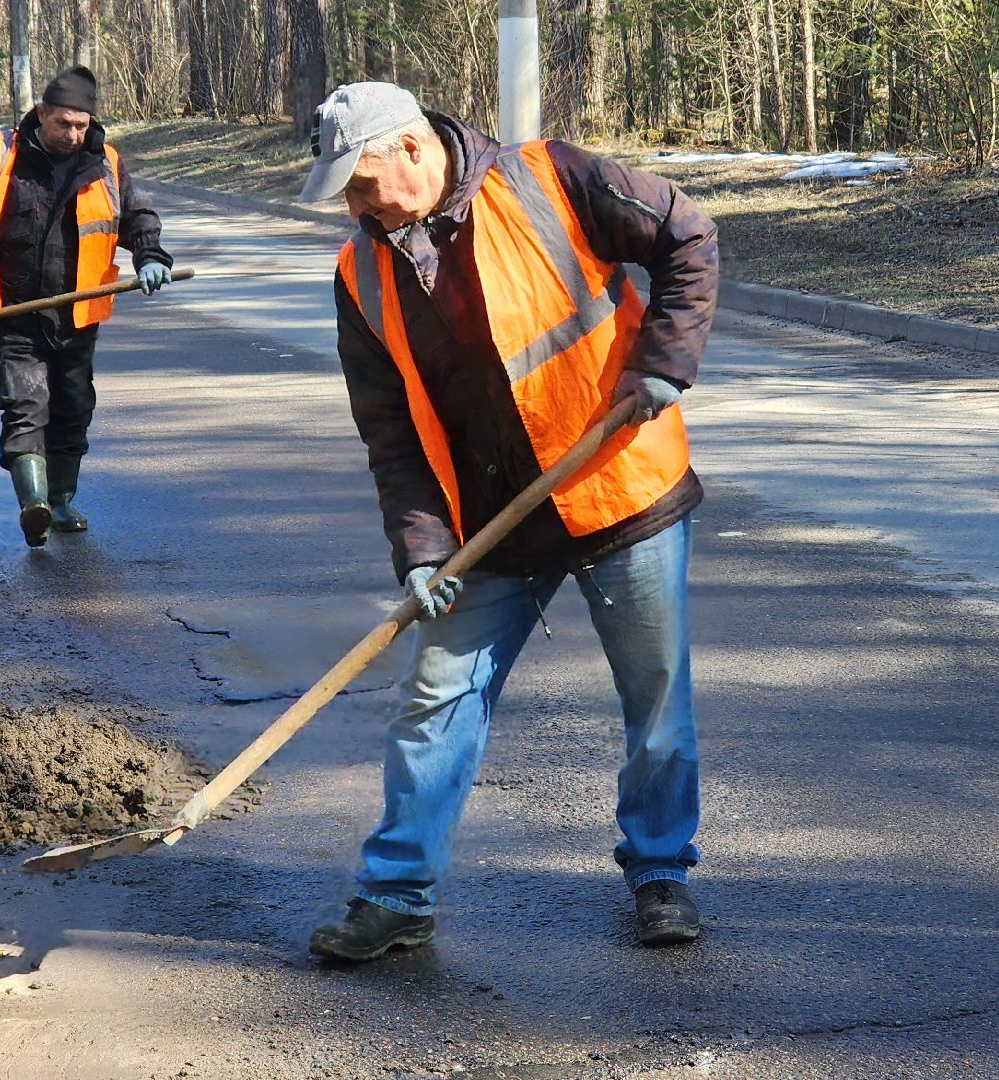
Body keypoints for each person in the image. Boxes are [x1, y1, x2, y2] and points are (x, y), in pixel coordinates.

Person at [298, 82, 719, 962]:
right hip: (488, 525)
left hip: (618, 489)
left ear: (411, 149)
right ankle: (397, 894)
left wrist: (666, 362)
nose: (356, 206)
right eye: (345, 193)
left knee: (656, 702)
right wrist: (421, 550)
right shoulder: (359, 273)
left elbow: (687, 235)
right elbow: (392, 434)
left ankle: (660, 873)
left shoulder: (548, 178)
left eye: (362, 183)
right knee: (435, 699)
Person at [0, 65, 174, 547]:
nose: (72, 134)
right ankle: (34, 504)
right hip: (11, 314)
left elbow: (136, 215)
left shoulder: (106, 162)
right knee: (25, 404)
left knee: (73, 407)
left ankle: (62, 500)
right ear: (42, 114)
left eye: (81, 125)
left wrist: (150, 255)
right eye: (63, 123)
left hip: (78, 312)